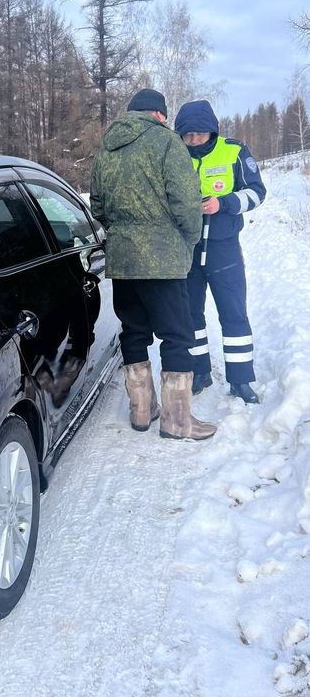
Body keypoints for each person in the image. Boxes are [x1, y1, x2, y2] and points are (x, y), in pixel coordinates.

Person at [90, 88, 217, 441]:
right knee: (177, 335)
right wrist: (188, 241)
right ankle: (178, 422)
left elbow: (97, 206)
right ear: (160, 115)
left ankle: (142, 412)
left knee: (134, 332)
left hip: (124, 261)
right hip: (163, 261)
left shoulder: (107, 148)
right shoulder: (167, 142)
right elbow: (185, 202)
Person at [174, 99, 266, 404]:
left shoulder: (234, 151)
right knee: (190, 316)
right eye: (187, 136)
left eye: (199, 135)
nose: (194, 141)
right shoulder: (174, 156)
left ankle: (241, 380)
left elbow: (256, 192)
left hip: (224, 250)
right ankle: (200, 373)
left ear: (211, 131)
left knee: (234, 314)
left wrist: (222, 203)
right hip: (188, 250)